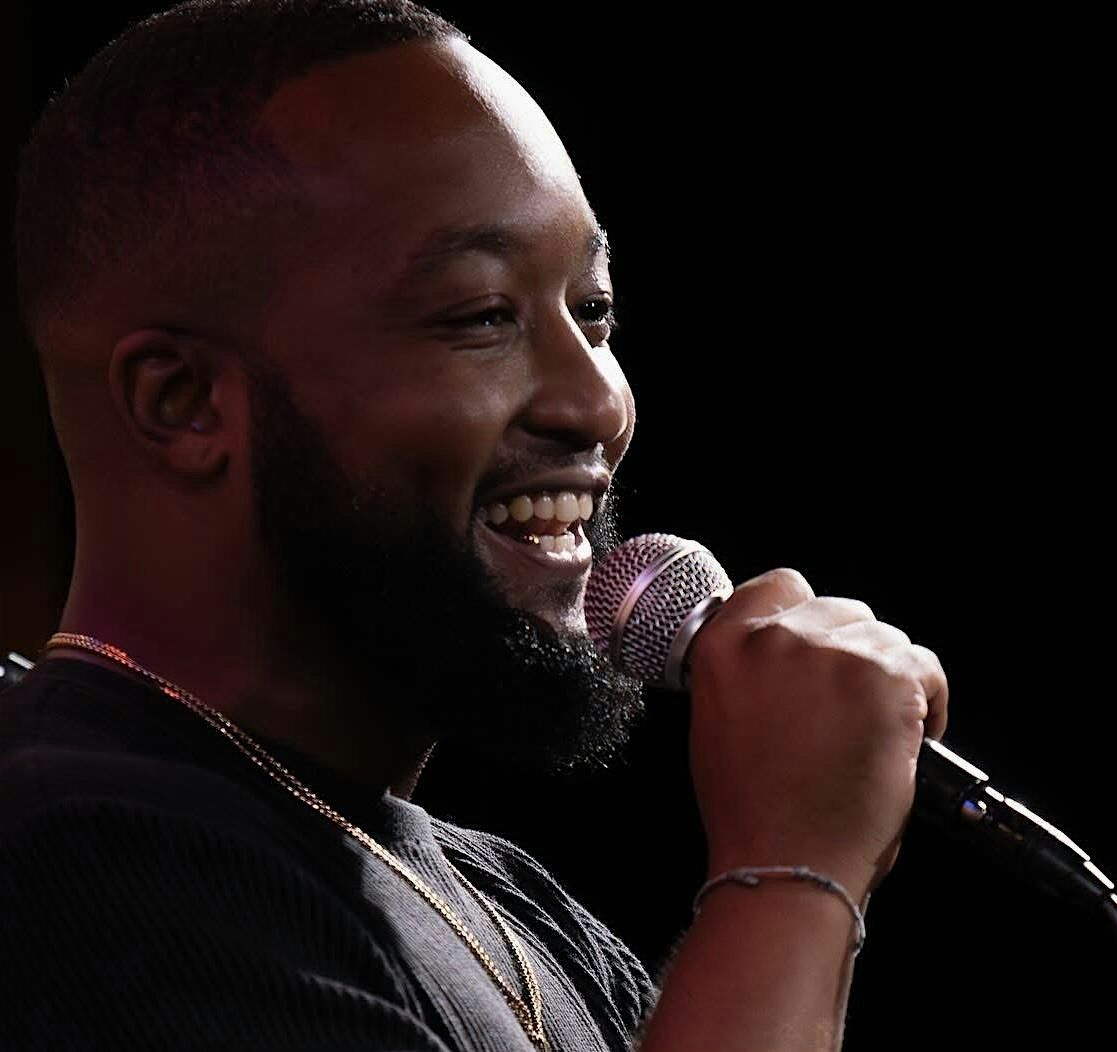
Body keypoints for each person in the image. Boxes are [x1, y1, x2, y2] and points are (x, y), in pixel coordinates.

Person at [3, 1, 948, 1049]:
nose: (597, 403)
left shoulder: (515, 909)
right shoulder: (67, 861)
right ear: (183, 402)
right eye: (483, 315)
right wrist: (793, 872)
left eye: (593, 311)